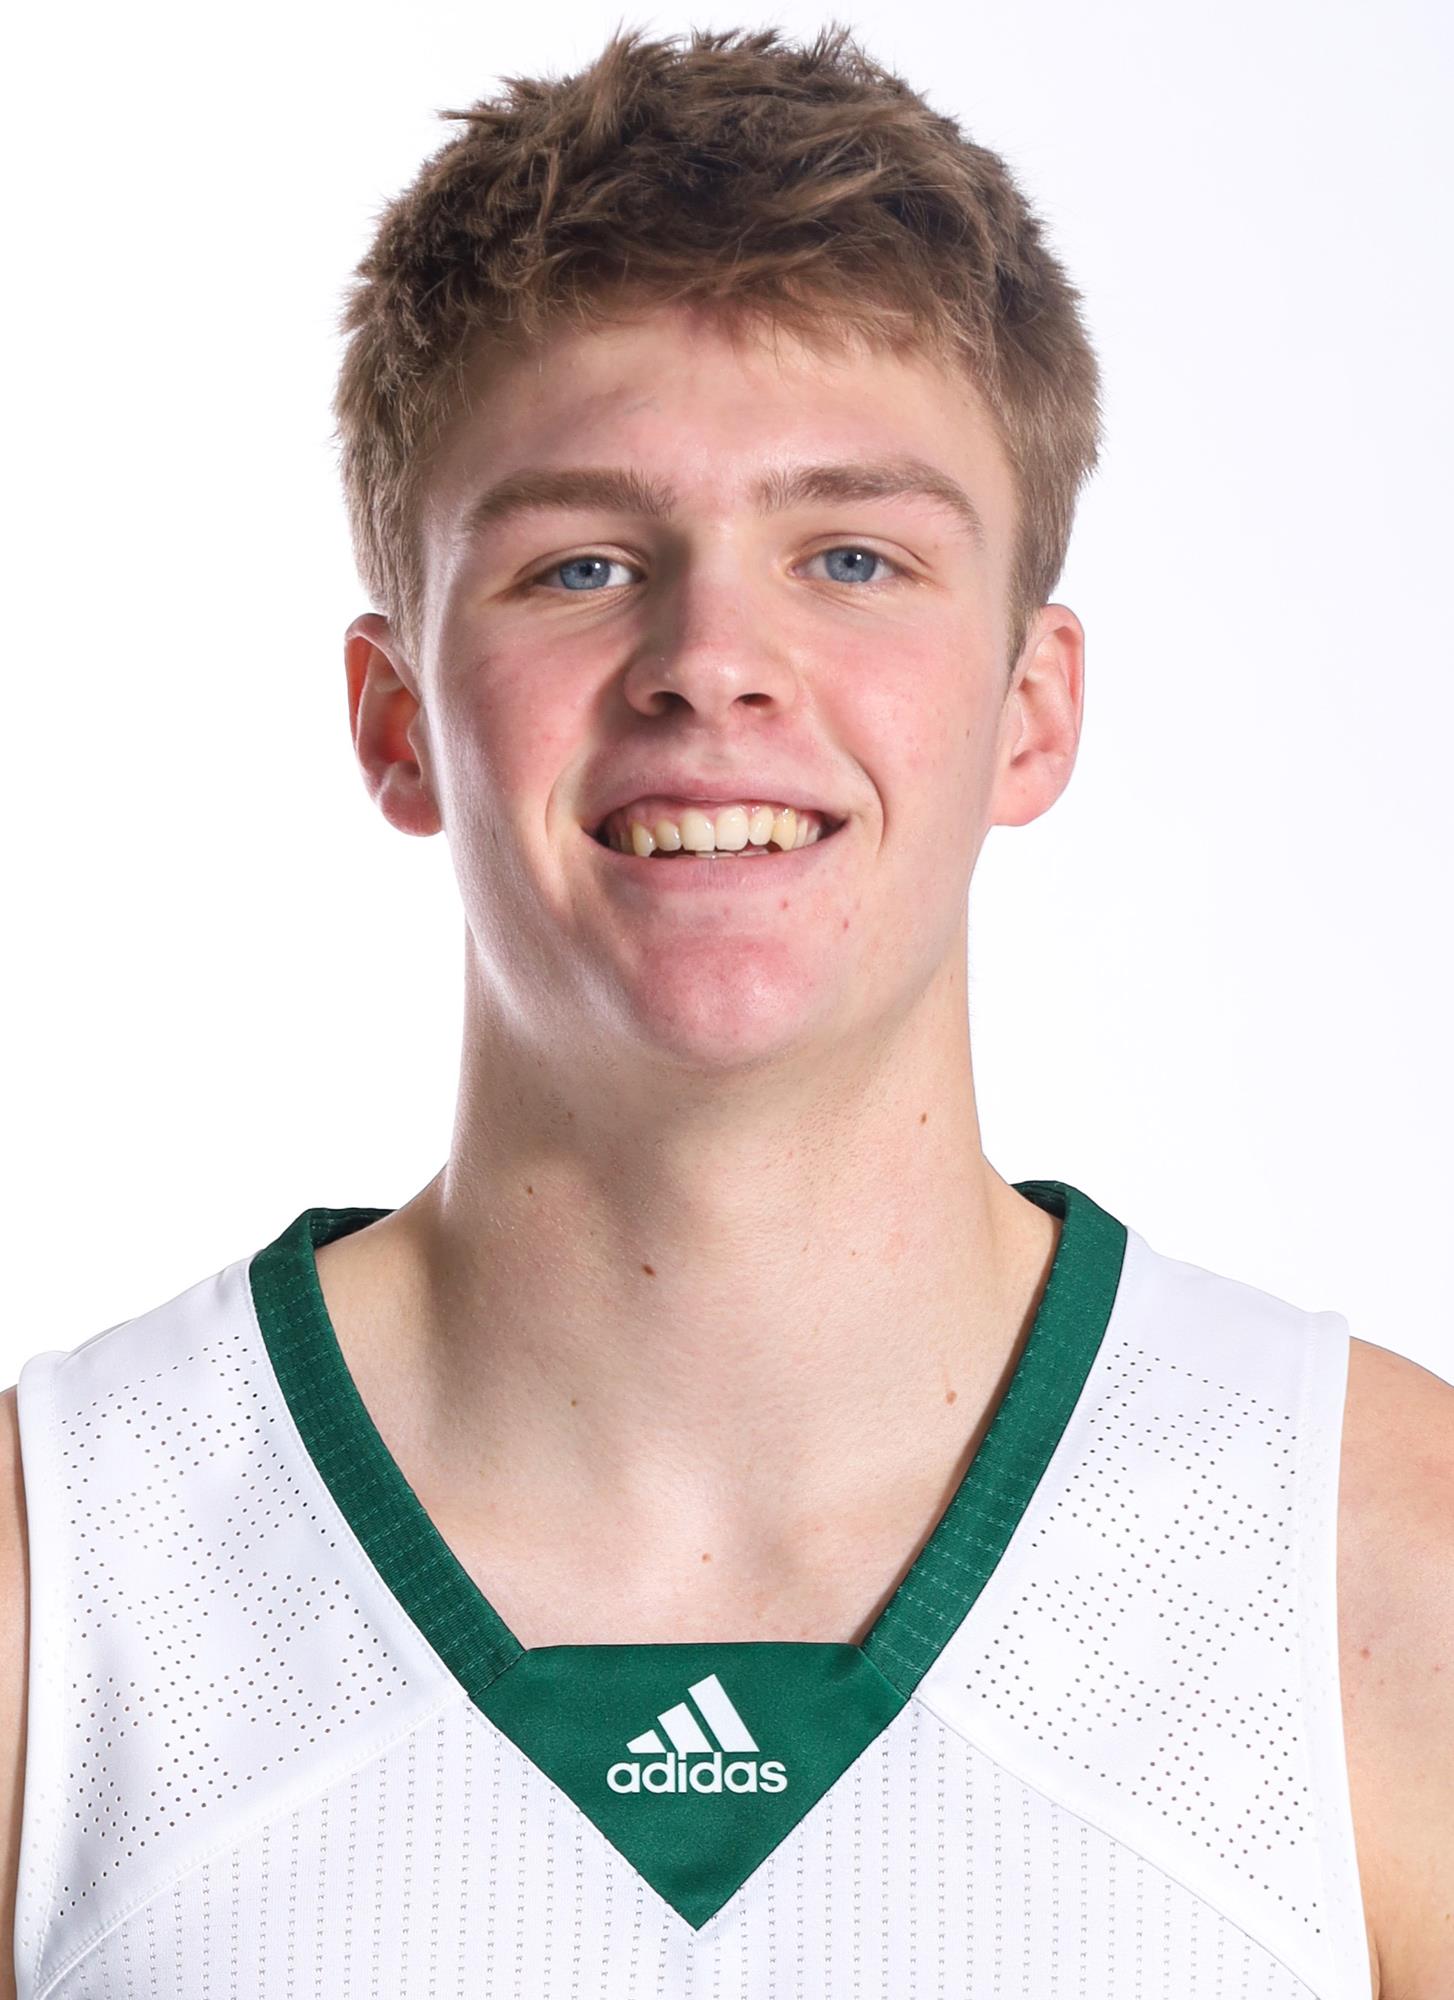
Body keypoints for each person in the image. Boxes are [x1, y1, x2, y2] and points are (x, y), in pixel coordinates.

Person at [1, 21, 1449, 1999]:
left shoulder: (1379, 1570)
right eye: (581, 564)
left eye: (850, 555)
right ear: (396, 718)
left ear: (1031, 709)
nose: (710, 661)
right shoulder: (57, 1597)